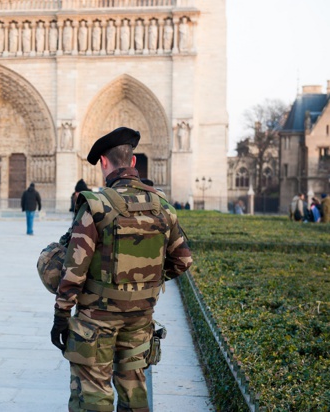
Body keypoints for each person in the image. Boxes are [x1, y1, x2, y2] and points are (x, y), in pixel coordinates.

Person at [50, 126, 192, 412]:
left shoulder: (96, 206)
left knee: (93, 394)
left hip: (96, 319)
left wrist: (61, 317)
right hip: (140, 318)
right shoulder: (162, 205)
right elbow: (183, 260)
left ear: (104, 162)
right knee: (134, 392)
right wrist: (144, 284)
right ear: (134, 161)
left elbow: (74, 271)